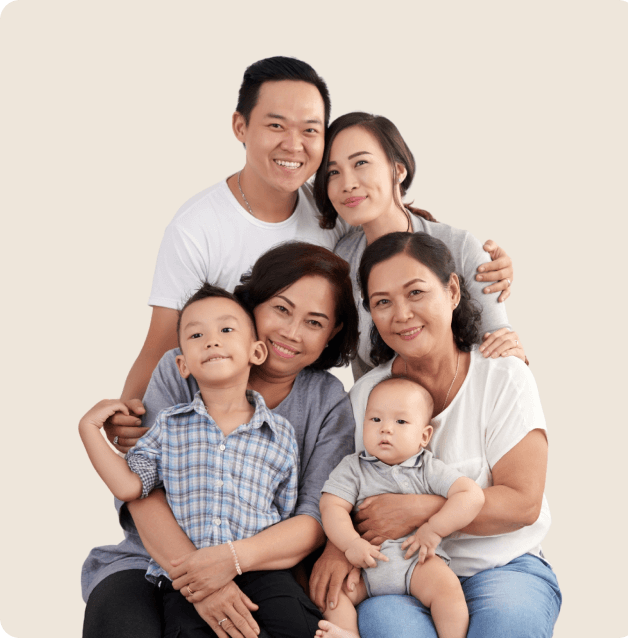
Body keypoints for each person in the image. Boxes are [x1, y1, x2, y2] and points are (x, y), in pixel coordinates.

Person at [110, 64, 513, 448]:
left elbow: (502, 352)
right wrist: (132, 416)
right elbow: (162, 343)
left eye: (309, 130)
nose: (293, 143)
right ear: (240, 127)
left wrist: (487, 264)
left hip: (444, 418)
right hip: (292, 418)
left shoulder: (349, 225)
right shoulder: (203, 229)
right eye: (275, 125)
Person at [81, 243, 359, 638]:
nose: (291, 333)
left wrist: (229, 562)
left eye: (315, 322)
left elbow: (313, 516)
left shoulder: (326, 399)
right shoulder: (187, 364)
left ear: (332, 333)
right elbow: (142, 490)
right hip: (149, 559)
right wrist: (200, 580)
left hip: (260, 568)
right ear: (253, 305)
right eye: (281, 309)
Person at [314, 231, 561, 638]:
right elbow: (347, 490)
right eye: (382, 302)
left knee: (505, 627)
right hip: (399, 574)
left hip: (502, 567)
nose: (401, 314)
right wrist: (338, 546)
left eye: (415, 292)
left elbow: (522, 503)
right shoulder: (363, 398)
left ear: (451, 290)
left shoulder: (502, 376)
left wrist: (418, 511)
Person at [313, 112, 524, 380]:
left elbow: (503, 353)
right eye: (333, 172)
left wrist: (514, 355)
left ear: (398, 170)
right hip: (380, 416)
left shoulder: (460, 247)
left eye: (361, 163)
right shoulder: (340, 261)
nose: (348, 183)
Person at [316, 376, 485, 638]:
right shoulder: (353, 467)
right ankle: (347, 633)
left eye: (401, 421)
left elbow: (471, 495)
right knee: (332, 593)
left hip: (416, 561)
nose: (386, 429)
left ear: (424, 435)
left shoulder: (427, 468)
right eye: (375, 420)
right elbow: (331, 506)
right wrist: (350, 543)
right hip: (366, 565)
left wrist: (435, 528)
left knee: (448, 589)